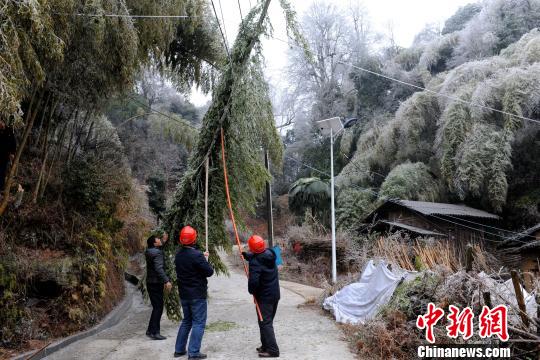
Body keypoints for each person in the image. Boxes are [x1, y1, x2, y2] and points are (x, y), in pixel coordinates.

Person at [174, 226, 214, 359]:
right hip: (197, 294)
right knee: (198, 323)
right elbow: (209, 272)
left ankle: (179, 349)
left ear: (181, 240)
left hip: (184, 294)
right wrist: (205, 260)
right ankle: (193, 352)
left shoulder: (178, 255)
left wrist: (202, 258)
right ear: (194, 238)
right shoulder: (197, 255)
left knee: (187, 321)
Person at [243, 235, 280, 358]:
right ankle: (265, 346)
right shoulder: (270, 253)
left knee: (265, 323)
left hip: (264, 297)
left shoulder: (255, 262)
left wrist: (251, 291)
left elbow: (253, 282)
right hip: (274, 295)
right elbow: (259, 256)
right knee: (263, 321)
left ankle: (273, 350)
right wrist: (246, 256)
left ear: (253, 248)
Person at [145, 235, 172, 340]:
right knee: (158, 308)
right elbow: (159, 268)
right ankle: (155, 333)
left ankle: (150, 330)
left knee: (156, 307)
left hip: (150, 282)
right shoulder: (157, 253)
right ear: (155, 243)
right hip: (156, 283)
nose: (160, 239)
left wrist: (164, 242)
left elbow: (156, 254)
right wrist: (167, 281)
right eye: (158, 240)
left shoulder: (149, 251)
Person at [0, 120, 16, 191]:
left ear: (4, 122)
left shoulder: (9, 131)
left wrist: (12, 153)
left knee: (2, 171)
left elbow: (13, 143)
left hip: (5, 155)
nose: (1, 124)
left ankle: (1, 187)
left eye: (1, 122)